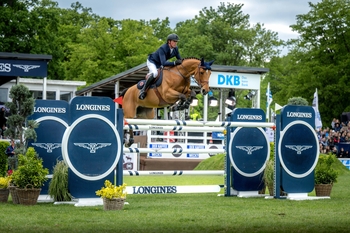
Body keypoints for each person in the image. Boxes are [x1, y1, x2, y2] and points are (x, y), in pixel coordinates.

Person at [139, 33, 182, 100]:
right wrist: (174, 63)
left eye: (176, 41)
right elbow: (164, 63)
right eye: (174, 41)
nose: (175, 43)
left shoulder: (175, 49)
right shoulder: (163, 48)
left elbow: (180, 59)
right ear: (169, 42)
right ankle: (143, 90)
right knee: (155, 73)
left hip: (160, 63)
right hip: (152, 62)